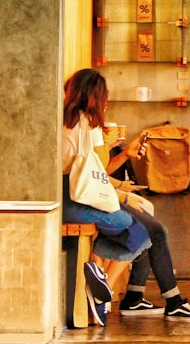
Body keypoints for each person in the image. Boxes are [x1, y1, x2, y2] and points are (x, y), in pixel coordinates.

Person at [62, 68, 151, 327]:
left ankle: (100, 282)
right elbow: (100, 168)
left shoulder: (60, 118)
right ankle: (105, 289)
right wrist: (109, 143)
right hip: (78, 201)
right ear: (96, 96)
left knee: (122, 228)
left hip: (60, 195)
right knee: (139, 233)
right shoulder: (89, 124)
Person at [104, 139, 190, 323]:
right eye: (102, 107)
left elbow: (95, 172)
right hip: (93, 199)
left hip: (99, 193)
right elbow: (90, 174)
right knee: (155, 231)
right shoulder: (86, 130)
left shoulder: (88, 129)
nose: (105, 108)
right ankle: (173, 301)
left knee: (148, 218)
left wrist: (121, 183)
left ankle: (133, 297)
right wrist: (121, 189)